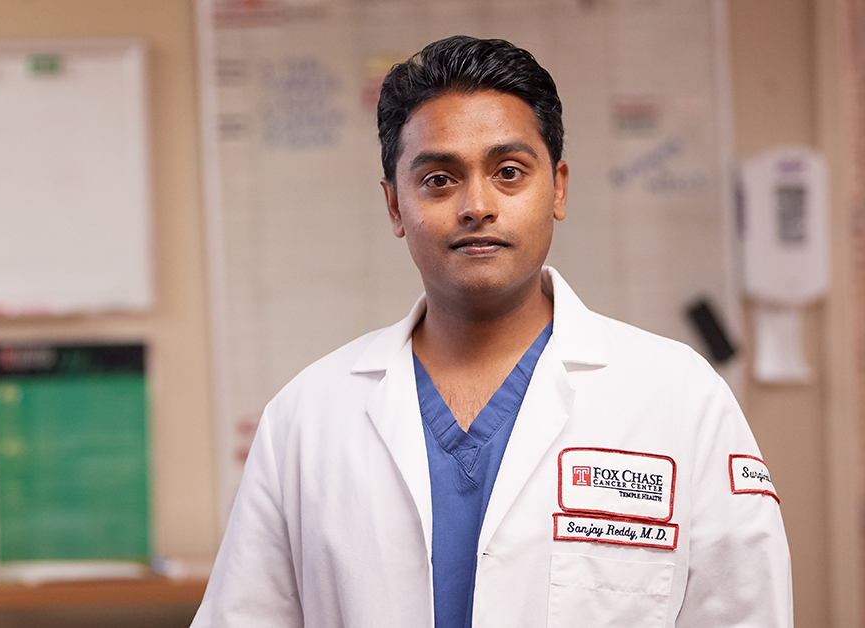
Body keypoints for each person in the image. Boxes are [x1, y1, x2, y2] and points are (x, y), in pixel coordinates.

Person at [191, 35, 792, 628]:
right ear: (395, 206)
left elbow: (746, 611)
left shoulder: (679, 397)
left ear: (556, 187)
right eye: (438, 180)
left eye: (508, 172)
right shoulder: (305, 419)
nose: (476, 204)